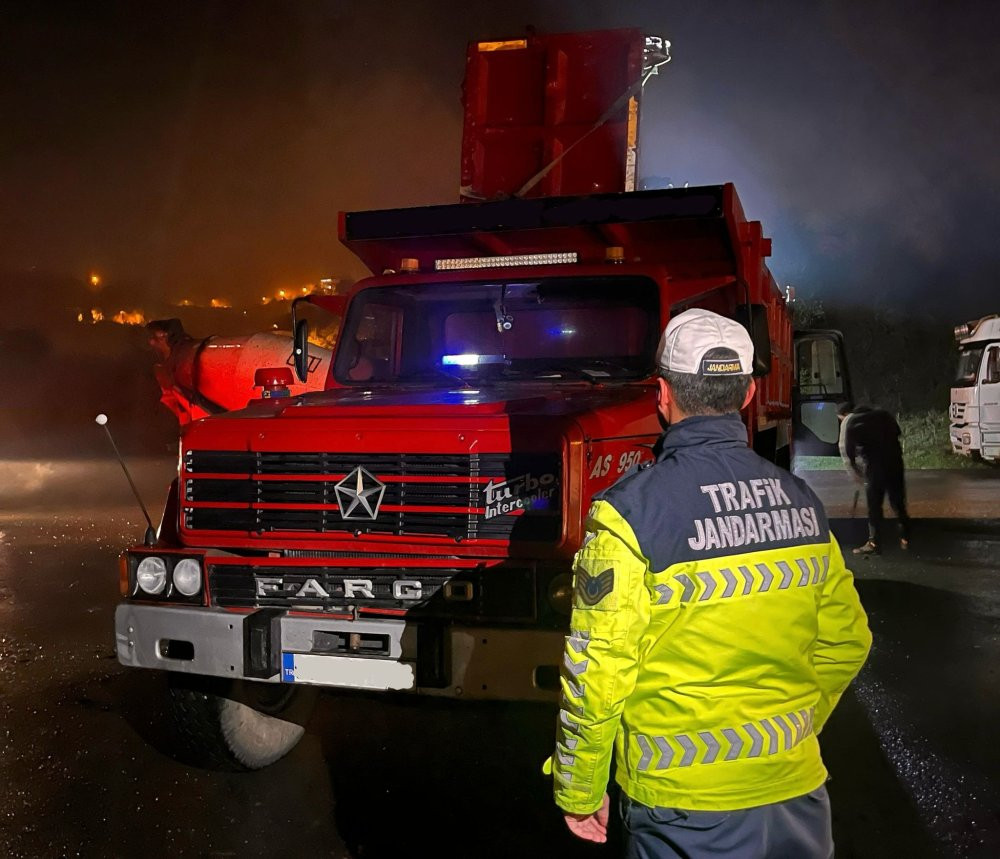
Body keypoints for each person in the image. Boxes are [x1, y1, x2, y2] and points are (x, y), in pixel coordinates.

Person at [548, 308, 871, 858]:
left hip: (684, 809)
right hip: (796, 795)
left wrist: (580, 790)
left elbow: (597, 674)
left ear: (662, 393)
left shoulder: (629, 515)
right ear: (748, 394)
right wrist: (787, 734)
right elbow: (848, 641)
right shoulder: (801, 502)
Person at [837, 402, 911, 555]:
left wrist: (857, 474)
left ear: (844, 414)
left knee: (874, 506)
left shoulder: (850, 422)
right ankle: (906, 536)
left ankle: (874, 542)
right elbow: (898, 432)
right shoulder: (883, 414)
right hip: (895, 462)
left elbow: (847, 452)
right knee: (898, 502)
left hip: (874, 467)